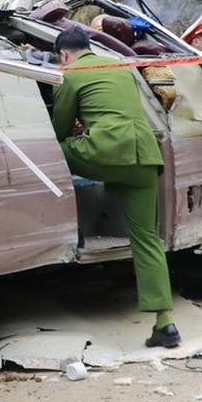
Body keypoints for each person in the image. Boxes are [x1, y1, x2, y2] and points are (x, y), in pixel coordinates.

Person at [50, 26, 180, 348]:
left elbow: (60, 129)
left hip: (109, 152)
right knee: (146, 239)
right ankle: (165, 322)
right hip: (146, 156)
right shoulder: (119, 68)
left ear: (63, 55)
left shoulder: (68, 75)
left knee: (53, 151)